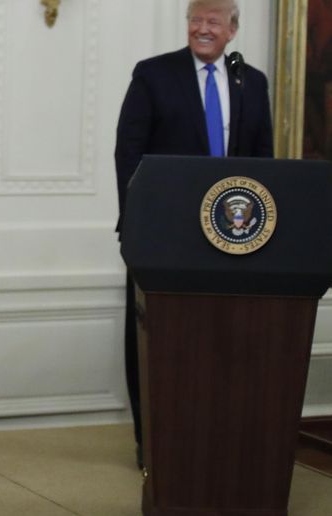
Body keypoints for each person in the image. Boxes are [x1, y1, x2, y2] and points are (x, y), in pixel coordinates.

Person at [114, 0, 273, 468]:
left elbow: (262, 159)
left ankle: (214, 440)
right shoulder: (153, 74)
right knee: (155, 339)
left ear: (232, 31)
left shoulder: (251, 81)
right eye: (195, 20)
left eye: (213, 22)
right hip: (164, 235)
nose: (203, 29)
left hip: (233, 235)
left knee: (220, 341)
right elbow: (128, 153)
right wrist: (138, 224)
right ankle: (153, 442)